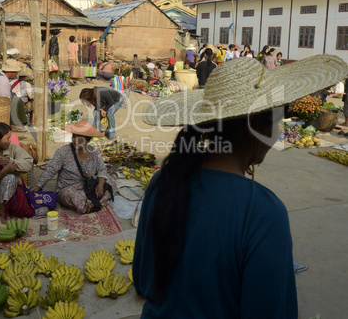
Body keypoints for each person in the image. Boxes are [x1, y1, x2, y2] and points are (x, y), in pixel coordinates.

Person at [134, 54, 348, 319]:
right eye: (277, 120)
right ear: (256, 126)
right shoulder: (263, 212)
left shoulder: (161, 182)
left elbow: (143, 281)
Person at [31, 120, 115, 214]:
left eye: (80, 138)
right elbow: (50, 170)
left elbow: (102, 169)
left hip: (87, 187)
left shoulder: (94, 153)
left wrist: (100, 184)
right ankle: (93, 203)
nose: (75, 140)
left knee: (111, 183)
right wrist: (39, 185)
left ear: (88, 139)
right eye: (74, 136)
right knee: (75, 197)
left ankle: (90, 205)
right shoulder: (63, 152)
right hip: (68, 189)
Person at [0, 123, 47, 223]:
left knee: (45, 210)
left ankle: (11, 209)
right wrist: (2, 173)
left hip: (16, 191)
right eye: (7, 138)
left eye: (10, 137)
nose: (10, 140)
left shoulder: (12, 147)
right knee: (9, 177)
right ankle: (4, 212)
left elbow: (28, 162)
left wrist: (11, 162)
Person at [0, 59, 28, 132]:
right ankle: (14, 125)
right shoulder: (4, 81)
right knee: (17, 101)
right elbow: (6, 100)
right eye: (15, 72)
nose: (16, 74)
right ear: (9, 72)